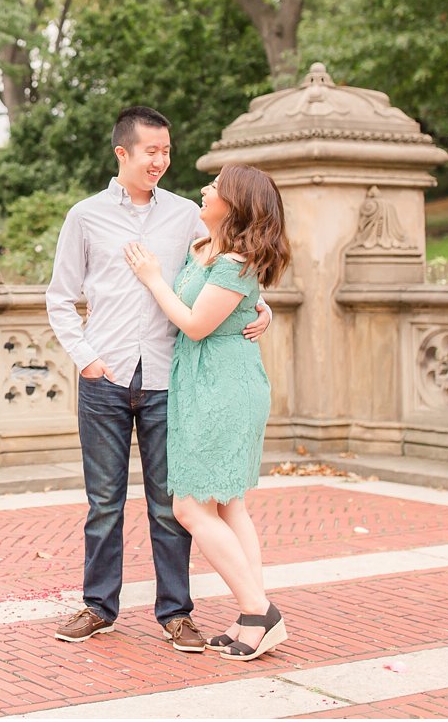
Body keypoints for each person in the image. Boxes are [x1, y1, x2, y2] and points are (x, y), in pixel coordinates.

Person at [46, 106, 271, 653]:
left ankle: (176, 612)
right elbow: (59, 297)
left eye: (167, 151)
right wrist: (86, 358)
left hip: (172, 380)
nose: (162, 161)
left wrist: (266, 308)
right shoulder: (86, 215)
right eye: (152, 151)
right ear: (122, 153)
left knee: (172, 504)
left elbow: (225, 266)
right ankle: (98, 606)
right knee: (104, 501)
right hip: (106, 375)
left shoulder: (187, 215)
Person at [123, 164, 291, 661]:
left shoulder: (234, 263)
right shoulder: (207, 247)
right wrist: (262, 308)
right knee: (228, 503)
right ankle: (250, 617)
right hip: (202, 383)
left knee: (189, 507)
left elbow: (196, 325)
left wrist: (154, 279)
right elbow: (241, 302)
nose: (204, 189)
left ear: (234, 204)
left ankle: (259, 610)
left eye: (215, 187)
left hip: (224, 386)